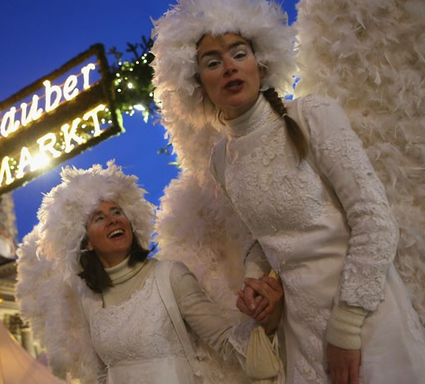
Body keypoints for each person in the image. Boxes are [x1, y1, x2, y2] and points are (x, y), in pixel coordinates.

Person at [150, 0, 425, 384]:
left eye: (239, 53)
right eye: (213, 61)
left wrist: (347, 326)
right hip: (302, 337)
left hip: (367, 321)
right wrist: (258, 283)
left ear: (262, 62)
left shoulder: (314, 115)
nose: (230, 66)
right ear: (197, 82)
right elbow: (266, 240)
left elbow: (375, 220)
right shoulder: (222, 159)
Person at [16, 162, 284, 384]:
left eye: (117, 212)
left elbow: (226, 343)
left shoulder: (170, 276)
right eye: (99, 217)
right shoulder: (89, 301)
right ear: (85, 241)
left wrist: (267, 324)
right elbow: (102, 374)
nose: (113, 220)